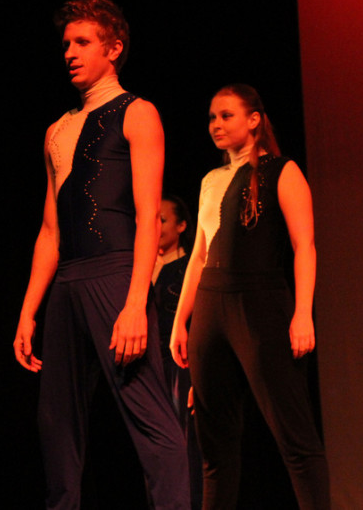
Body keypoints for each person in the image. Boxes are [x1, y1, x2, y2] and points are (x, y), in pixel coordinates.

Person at [13, 0, 189, 509]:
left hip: (115, 276)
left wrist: (136, 302)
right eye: (66, 43)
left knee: (152, 420)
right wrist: (28, 311)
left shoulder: (137, 113)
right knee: (57, 426)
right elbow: (49, 230)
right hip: (67, 281)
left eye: (82, 42)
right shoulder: (56, 130)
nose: (69, 51)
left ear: (113, 48)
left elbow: (146, 217)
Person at [169, 84, 330, 509]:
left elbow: (305, 246)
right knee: (214, 447)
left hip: (258, 305)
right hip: (210, 307)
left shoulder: (282, 171)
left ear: (254, 119)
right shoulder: (210, 180)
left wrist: (303, 314)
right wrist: (180, 321)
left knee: (294, 436)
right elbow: (199, 254)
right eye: (211, 118)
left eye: (226, 115)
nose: (215, 125)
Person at [153, 193, 202, 509]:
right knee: (154, 449)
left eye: (163, 219)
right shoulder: (139, 268)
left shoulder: (188, 269)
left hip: (180, 367)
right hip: (148, 367)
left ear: (182, 226)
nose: (155, 226)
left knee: (186, 446)